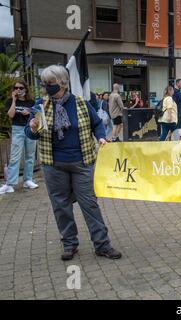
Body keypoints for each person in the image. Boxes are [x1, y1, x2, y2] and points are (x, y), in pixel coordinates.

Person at [24, 65, 122, 261]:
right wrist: (33, 127)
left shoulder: (81, 103)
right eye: (43, 83)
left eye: (49, 83)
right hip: (53, 164)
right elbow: (31, 134)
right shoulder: (41, 105)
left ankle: (102, 245)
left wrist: (101, 137)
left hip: (82, 162)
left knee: (89, 204)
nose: (45, 87)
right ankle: (69, 244)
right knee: (61, 206)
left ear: (61, 83)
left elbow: (96, 124)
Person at [0, 80, 39, 194]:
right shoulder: (10, 101)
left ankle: (28, 180)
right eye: (16, 88)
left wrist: (30, 113)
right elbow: (11, 115)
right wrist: (13, 100)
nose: (18, 90)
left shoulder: (31, 102)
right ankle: (10, 184)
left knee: (30, 155)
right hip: (17, 129)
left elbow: (37, 116)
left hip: (30, 128)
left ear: (25, 89)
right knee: (14, 157)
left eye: (21, 88)